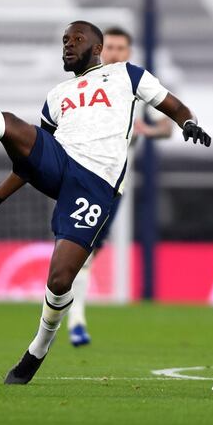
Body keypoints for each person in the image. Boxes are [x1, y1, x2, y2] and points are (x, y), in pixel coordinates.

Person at [0, 21, 211, 384]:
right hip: (61, 161)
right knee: (12, 123)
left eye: (77, 40)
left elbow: (172, 104)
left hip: (94, 185)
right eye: (64, 40)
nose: (68, 46)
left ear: (97, 48)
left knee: (60, 279)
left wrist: (189, 122)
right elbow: (33, 160)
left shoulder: (126, 74)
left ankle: (37, 350)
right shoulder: (57, 95)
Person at [66, 26, 173, 347]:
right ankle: (74, 322)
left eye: (121, 48)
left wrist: (149, 131)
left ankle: (73, 320)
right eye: (110, 47)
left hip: (115, 183)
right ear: (99, 49)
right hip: (80, 177)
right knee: (79, 252)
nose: (114, 53)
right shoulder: (81, 85)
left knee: (87, 254)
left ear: (128, 53)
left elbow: (168, 126)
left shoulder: (134, 86)